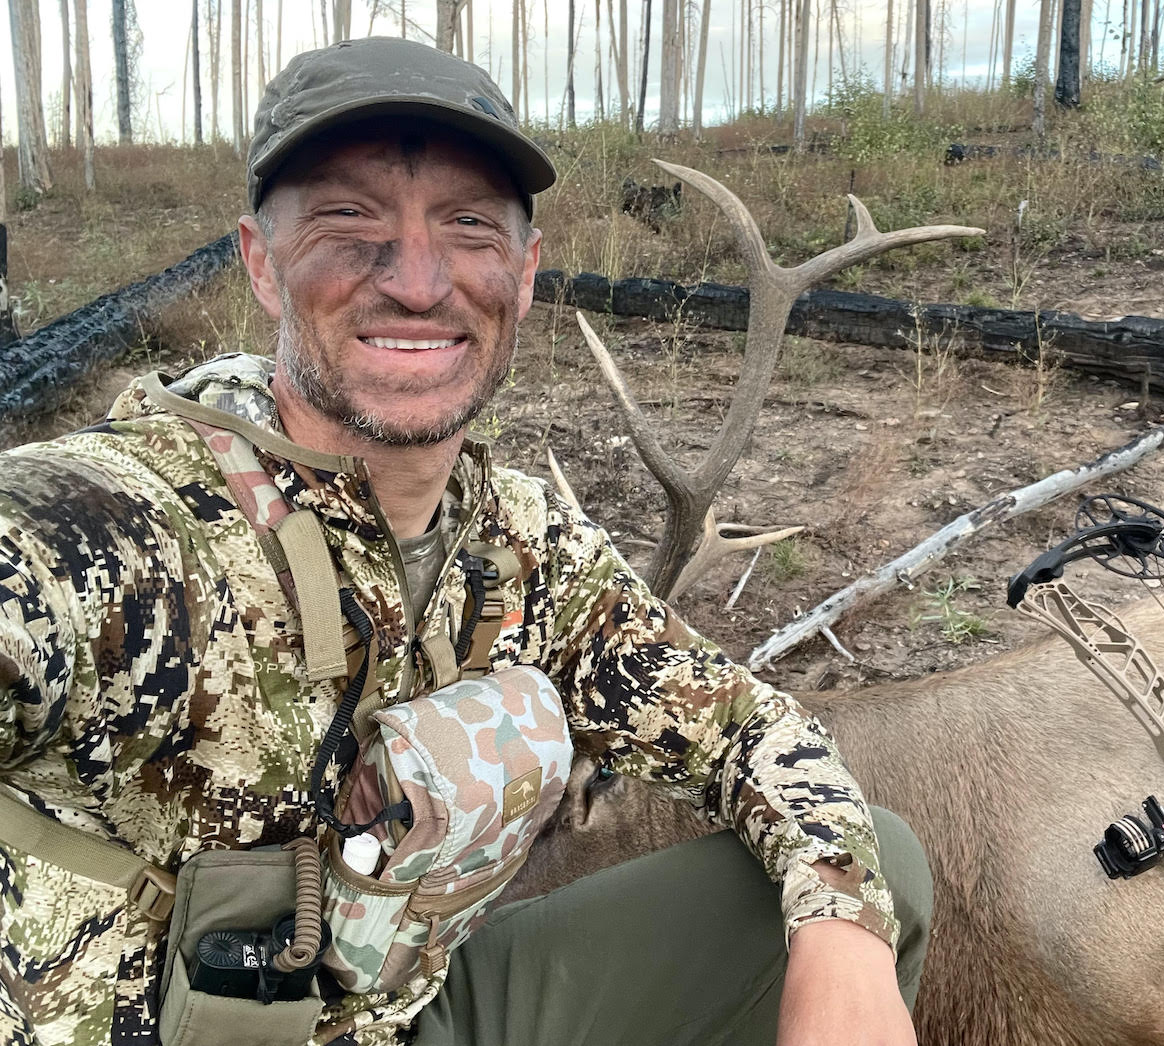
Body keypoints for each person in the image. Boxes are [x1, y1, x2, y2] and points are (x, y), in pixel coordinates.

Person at [0, 37, 930, 1046]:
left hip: (394, 1014)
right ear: (261, 262)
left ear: (524, 273)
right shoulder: (113, 526)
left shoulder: (523, 542)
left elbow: (752, 731)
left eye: (468, 223)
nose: (415, 278)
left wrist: (840, 935)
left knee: (879, 869)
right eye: (348, 217)